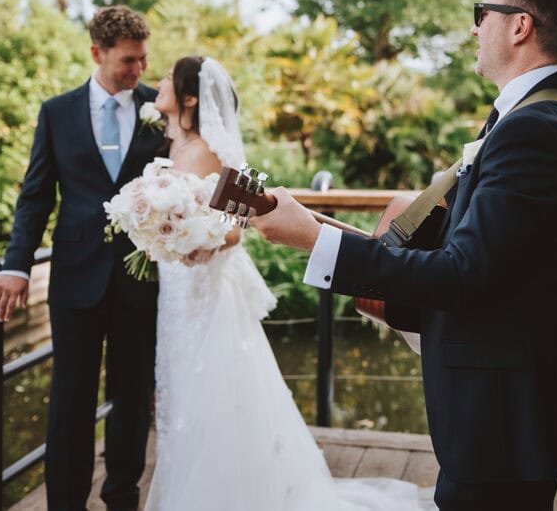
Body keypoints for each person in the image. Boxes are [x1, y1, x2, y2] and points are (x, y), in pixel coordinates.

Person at [253, 0, 557, 511]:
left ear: (520, 26)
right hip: (504, 409)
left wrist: (312, 240)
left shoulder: (538, 129)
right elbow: (489, 255)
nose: (474, 26)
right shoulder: (533, 117)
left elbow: (464, 272)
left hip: (503, 419)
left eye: (482, 12)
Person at [142, 55, 419, 511]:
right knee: (182, 397)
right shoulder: (172, 146)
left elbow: (236, 225)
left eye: (168, 78)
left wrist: (193, 241)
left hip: (206, 289)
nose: (158, 83)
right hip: (176, 291)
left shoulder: (212, 149)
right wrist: (157, 232)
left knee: (217, 393)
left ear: (190, 96)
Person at [0, 6, 168, 510]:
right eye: (128, 61)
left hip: (141, 278)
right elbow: (36, 195)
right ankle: (65, 502)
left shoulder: (162, 110)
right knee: (70, 401)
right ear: (97, 53)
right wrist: (15, 264)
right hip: (74, 281)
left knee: (132, 399)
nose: (138, 71)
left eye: (142, 60)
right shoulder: (57, 112)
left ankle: (121, 497)